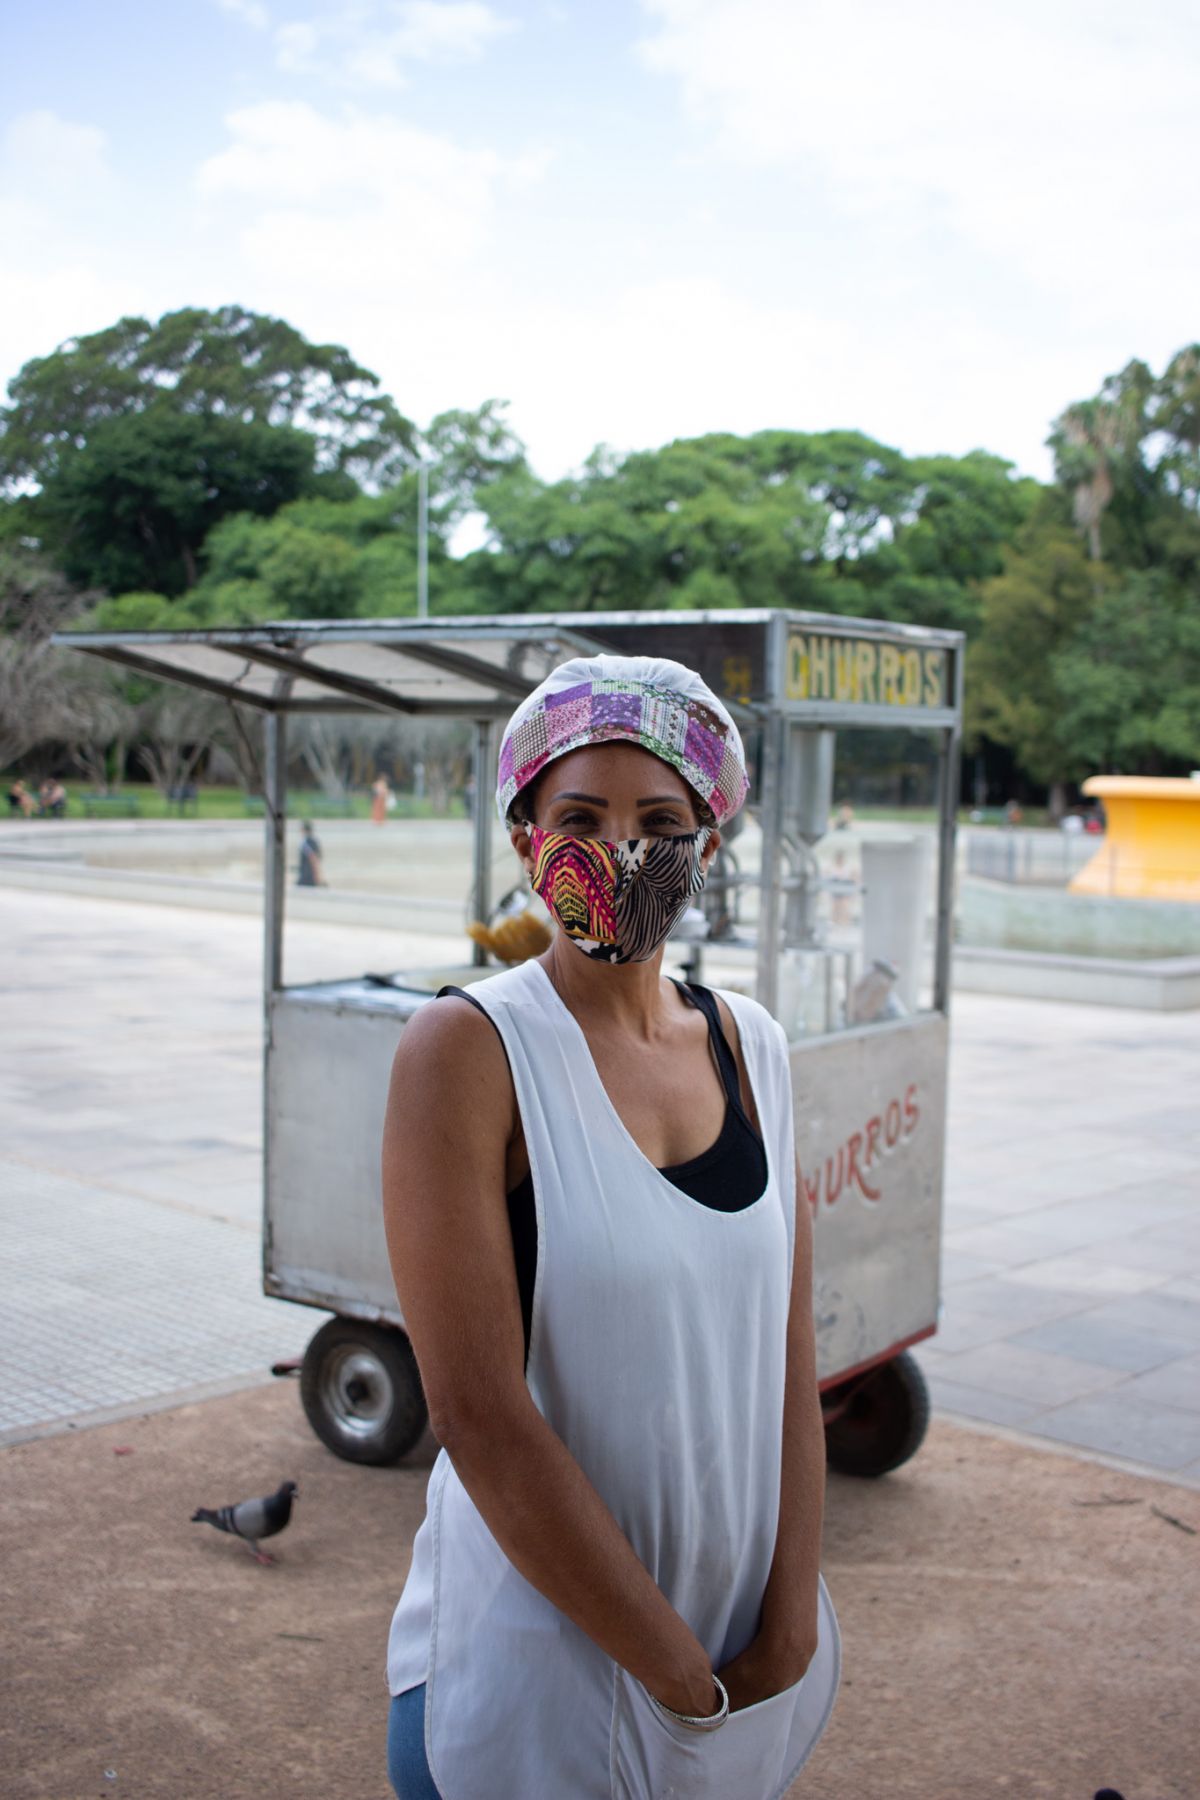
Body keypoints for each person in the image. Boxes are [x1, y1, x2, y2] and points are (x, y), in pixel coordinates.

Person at [381, 655, 841, 1800]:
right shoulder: (470, 1053)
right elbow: (478, 1414)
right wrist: (676, 1675)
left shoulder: (755, 1051)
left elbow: (788, 1359)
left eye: (661, 820)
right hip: (537, 1695)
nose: (623, 851)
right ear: (528, 838)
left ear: (709, 847)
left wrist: (789, 1625)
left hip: (737, 1683)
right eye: (579, 815)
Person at [297, 821, 325, 887]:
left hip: (307, 876)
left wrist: (317, 877)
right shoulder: (313, 842)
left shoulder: (307, 843)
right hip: (308, 875)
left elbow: (313, 858)